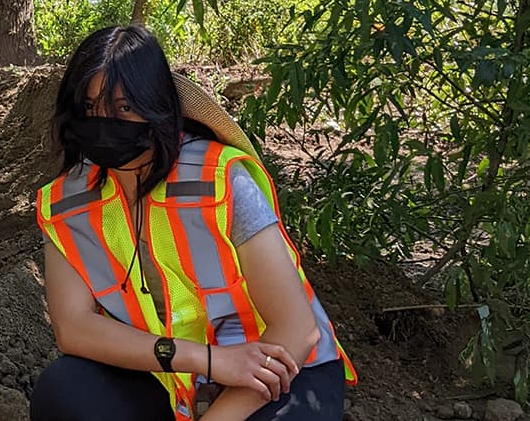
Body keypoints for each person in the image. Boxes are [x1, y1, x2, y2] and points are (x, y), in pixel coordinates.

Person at [31, 25, 356, 421]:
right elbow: (74, 328)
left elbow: (296, 327)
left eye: (123, 108)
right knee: (64, 391)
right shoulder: (67, 203)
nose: (105, 121)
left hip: (273, 372)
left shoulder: (219, 180)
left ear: (158, 108)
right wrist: (206, 360)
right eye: (91, 107)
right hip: (170, 375)